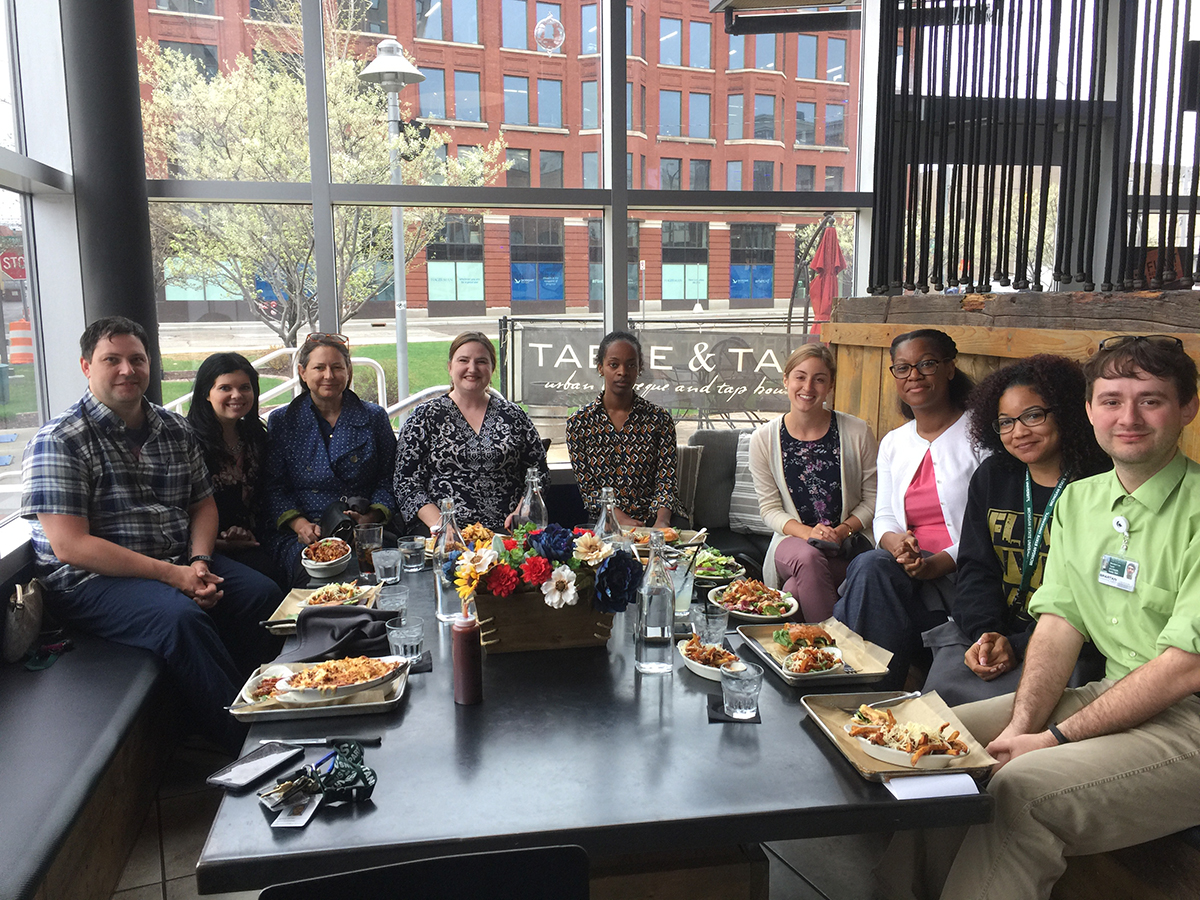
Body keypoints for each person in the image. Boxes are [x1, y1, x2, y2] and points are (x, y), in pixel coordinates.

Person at [878, 334, 1200, 900]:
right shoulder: (1083, 501)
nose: (1128, 417)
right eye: (1111, 400)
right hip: (1113, 692)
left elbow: (1183, 668)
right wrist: (1023, 727)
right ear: (1089, 409)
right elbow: (1059, 622)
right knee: (925, 741)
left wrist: (1050, 738)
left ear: (1188, 409)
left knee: (1017, 788)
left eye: (1150, 400)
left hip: (1188, 721)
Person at [20, 317, 281, 752]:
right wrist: (172, 576)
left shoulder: (173, 429)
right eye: (112, 360)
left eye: (137, 359)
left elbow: (203, 505)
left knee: (262, 593)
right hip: (93, 581)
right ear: (86, 366)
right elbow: (70, 546)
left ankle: (255, 705)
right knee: (180, 619)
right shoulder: (59, 440)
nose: (127, 370)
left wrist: (199, 562)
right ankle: (245, 746)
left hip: (176, 560)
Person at [922, 355, 1110, 705]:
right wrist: (985, 633)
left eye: (1033, 415)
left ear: (1066, 410)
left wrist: (1020, 644)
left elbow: (1098, 601)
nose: (1018, 432)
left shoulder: (1100, 483)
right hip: (990, 637)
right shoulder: (994, 476)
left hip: (1069, 648)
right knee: (934, 713)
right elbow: (976, 569)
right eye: (1005, 422)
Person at [834, 328, 982, 690]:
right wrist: (896, 544)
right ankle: (869, 695)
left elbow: (989, 528)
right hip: (905, 570)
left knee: (869, 575)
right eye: (902, 368)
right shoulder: (895, 443)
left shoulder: (981, 434)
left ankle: (860, 693)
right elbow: (884, 514)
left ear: (949, 368)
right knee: (873, 566)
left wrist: (936, 564)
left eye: (926, 364)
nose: (913, 375)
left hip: (962, 577)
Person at [748, 343, 878, 621]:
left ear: (830, 385)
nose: (808, 386)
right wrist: (809, 534)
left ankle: (811, 654)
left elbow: (873, 499)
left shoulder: (857, 431)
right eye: (800, 376)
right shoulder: (763, 438)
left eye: (819, 379)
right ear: (786, 380)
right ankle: (837, 647)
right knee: (808, 558)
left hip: (849, 547)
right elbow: (769, 509)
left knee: (795, 589)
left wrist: (841, 531)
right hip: (792, 543)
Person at [263, 333, 396, 580]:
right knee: (318, 579)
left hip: (364, 529)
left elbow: (388, 478)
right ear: (303, 372)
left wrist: (371, 518)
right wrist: (299, 524)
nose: (329, 376)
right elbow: (273, 487)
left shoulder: (374, 417)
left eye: (337, 367)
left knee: (379, 575)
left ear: (348, 371)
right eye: (319, 368)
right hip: (304, 532)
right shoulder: (282, 421)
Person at [394, 332, 548, 532]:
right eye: (463, 360)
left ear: (492, 369)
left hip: (508, 531)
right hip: (442, 532)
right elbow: (406, 482)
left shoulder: (514, 416)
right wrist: (443, 526)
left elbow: (539, 472)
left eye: (482, 361)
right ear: (450, 367)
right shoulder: (424, 417)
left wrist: (522, 513)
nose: (472, 368)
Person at [186, 352, 286, 589]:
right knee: (268, 582)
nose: (237, 395)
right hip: (204, 549)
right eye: (225, 388)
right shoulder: (187, 441)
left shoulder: (256, 438)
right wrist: (221, 543)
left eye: (245, 387)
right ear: (205, 394)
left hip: (257, 538)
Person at [566, 330, 676, 529]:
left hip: (653, 518)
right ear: (601, 368)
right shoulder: (579, 423)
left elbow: (666, 482)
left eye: (631, 365)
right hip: (604, 520)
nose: (623, 372)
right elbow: (589, 489)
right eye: (614, 364)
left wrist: (661, 523)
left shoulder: (660, 420)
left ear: (639, 369)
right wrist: (618, 518)